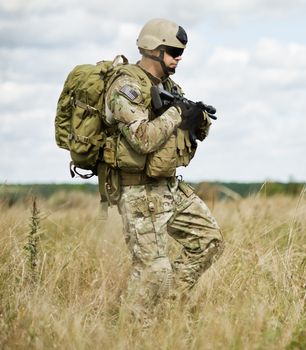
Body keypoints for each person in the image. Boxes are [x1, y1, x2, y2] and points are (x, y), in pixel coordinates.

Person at [103, 18, 224, 322]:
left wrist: (195, 119)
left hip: (168, 185)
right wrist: (176, 114)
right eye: (173, 51)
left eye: (181, 52)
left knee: (208, 241)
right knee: (154, 269)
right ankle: (132, 330)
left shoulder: (169, 87)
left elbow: (183, 129)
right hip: (137, 189)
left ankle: (166, 308)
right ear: (154, 49)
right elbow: (142, 139)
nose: (178, 58)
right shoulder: (125, 86)